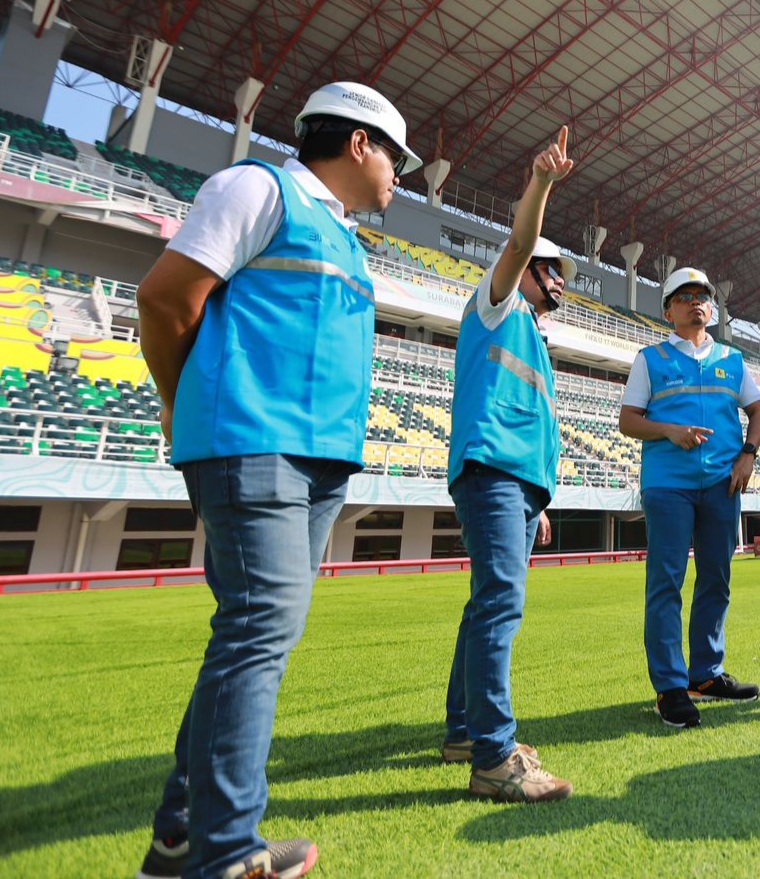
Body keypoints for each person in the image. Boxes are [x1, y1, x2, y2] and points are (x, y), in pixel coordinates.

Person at [133, 82, 422, 879]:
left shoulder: (344, 236)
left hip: (315, 459)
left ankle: (182, 838)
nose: (402, 174)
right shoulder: (258, 187)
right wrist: (178, 400)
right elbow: (164, 298)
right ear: (359, 143)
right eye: (397, 155)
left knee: (255, 635)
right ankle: (225, 855)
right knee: (258, 631)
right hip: (252, 441)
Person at [439, 126, 576, 803]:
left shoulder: (533, 338)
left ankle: (464, 729)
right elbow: (520, 242)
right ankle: (494, 754)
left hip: (517, 482)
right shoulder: (497, 304)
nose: (556, 280)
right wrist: (542, 181)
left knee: (484, 607)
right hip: (492, 471)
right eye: (550, 269)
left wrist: (541, 499)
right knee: (500, 605)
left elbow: (535, 423)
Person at [618, 267, 760, 728]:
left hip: (723, 485)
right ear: (668, 311)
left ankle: (705, 675)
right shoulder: (651, 359)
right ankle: (669, 686)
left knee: (716, 580)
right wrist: (669, 430)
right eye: (683, 297)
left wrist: (748, 455)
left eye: (702, 295)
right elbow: (628, 420)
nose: (695, 301)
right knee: (666, 583)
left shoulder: (733, 359)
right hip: (668, 484)